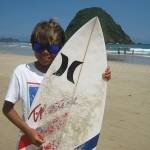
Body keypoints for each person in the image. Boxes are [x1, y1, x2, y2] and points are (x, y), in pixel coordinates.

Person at [2, 19, 111, 148]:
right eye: (39, 46)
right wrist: (28, 131)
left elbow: (85, 93)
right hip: (29, 143)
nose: (45, 52)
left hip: (58, 142)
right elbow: (7, 109)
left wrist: (101, 77)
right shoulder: (22, 72)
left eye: (52, 47)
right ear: (32, 45)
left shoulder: (70, 75)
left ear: (61, 48)